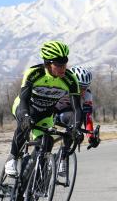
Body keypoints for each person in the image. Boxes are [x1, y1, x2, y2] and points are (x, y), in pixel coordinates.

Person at [5, 40, 83, 176]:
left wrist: (76, 128)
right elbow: (24, 99)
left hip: (46, 114)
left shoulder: (70, 79)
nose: (63, 67)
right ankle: (12, 158)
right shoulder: (35, 73)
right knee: (25, 125)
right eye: (59, 64)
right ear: (48, 63)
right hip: (26, 107)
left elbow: (77, 108)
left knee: (47, 141)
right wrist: (25, 117)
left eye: (64, 63)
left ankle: (36, 183)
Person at [55, 65, 100, 149]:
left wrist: (91, 136)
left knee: (77, 119)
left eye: (85, 87)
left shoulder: (87, 94)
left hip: (69, 114)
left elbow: (87, 117)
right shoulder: (61, 87)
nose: (82, 91)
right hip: (53, 112)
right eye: (79, 86)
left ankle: (65, 152)